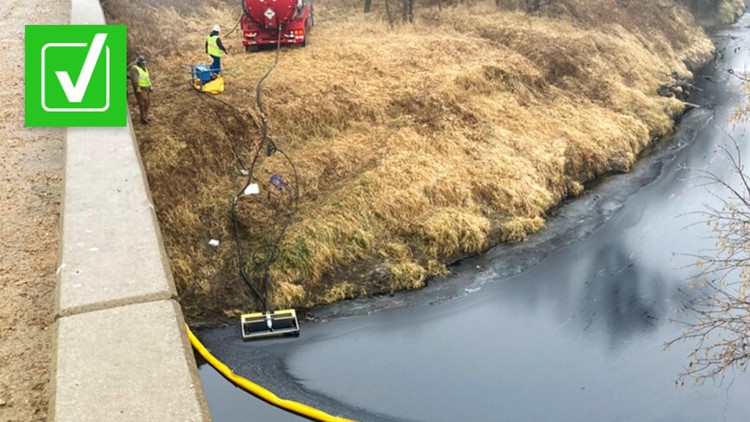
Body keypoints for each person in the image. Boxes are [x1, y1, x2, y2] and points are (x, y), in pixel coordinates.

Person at [128, 55, 153, 124]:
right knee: (142, 103)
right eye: (141, 62)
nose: (143, 64)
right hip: (140, 89)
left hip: (147, 88)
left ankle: (146, 116)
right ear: (138, 62)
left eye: (143, 62)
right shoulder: (134, 69)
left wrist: (150, 86)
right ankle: (143, 119)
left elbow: (147, 78)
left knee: (147, 103)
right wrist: (137, 88)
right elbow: (135, 80)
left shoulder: (145, 69)